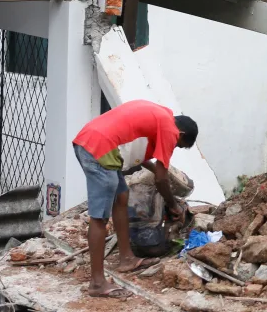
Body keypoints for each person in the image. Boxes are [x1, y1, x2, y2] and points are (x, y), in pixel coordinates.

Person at [72, 99, 198, 299]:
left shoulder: (160, 115)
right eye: (178, 145)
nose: (174, 147)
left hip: (96, 143)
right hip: (99, 149)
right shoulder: (169, 129)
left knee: (122, 197)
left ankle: (127, 258)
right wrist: (174, 206)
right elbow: (161, 180)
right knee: (99, 218)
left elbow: (137, 150)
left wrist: (157, 169)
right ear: (180, 134)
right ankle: (97, 282)